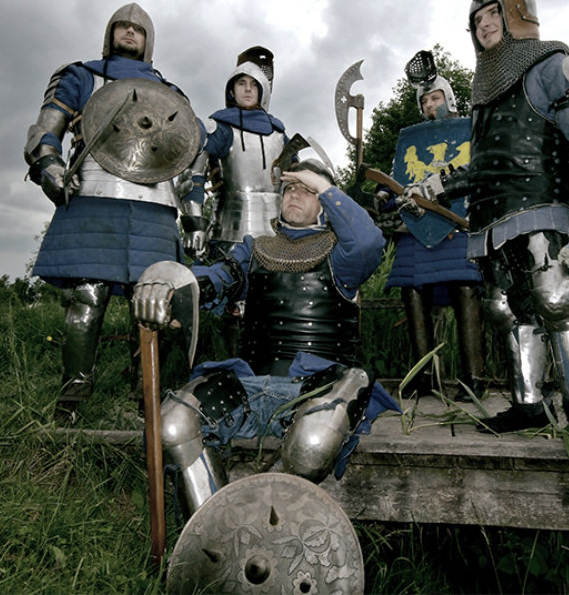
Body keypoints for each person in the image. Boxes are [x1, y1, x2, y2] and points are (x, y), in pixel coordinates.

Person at [411, 0, 569, 454]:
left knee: (557, 297)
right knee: (506, 308)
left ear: (518, 15)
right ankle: (529, 404)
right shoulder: (484, 94)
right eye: (477, 20)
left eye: (493, 14)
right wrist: (437, 186)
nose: (484, 24)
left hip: (542, 207)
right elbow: (487, 164)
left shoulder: (555, 66)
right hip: (491, 219)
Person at [133, 157, 397, 517]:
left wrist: (325, 186)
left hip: (318, 386)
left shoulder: (343, 255)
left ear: (325, 202)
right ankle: (213, 533)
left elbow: (368, 243)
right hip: (249, 383)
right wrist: (170, 287)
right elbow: (215, 279)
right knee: (172, 425)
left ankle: (279, 530)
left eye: (308, 190)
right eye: (290, 188)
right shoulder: (254, 250)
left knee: (314, 440)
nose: (295, 194)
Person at [23, 2, 203, 424]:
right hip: (94, 194)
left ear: (149, 40)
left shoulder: (171, 93)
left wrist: (194, 214)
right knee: (87, 298)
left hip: (155, 204)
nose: (130, 32)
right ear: (110, 33)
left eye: (138, 29)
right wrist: (50, 167)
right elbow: (45, 131)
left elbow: (193, 151)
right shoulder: (81, 76)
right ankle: (71, 405)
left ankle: (147, 405)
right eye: (122, 26)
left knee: (154, 304)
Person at [375, 51, 488, 400]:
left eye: (435, 97)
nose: (429, 104)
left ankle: (474, 378)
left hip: (457, 224)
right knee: (412, 291)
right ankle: (424, 377)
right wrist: (384, 193)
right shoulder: (413, 139)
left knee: (465, 288)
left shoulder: (468, 130)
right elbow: (399, 178)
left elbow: (479, 174)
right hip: (417, 226)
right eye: (424, 101)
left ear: (448, 98)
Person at [180, 46, 289, 263]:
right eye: (241, 83)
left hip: (277, 240)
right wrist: (195, 225)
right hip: (227, 237)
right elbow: (192, 176)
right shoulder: (220, 128)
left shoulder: (280, 135)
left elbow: (299, 181)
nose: (248, 89)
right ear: (231, 91)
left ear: (262, 91)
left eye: (254, 85)